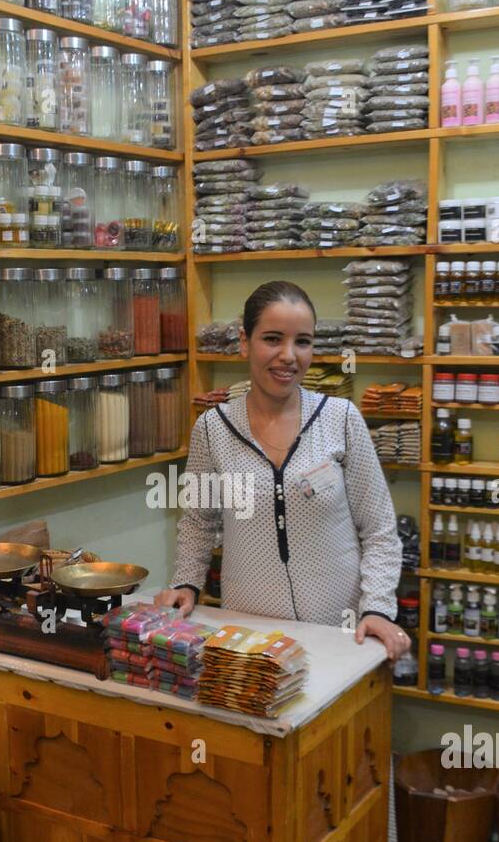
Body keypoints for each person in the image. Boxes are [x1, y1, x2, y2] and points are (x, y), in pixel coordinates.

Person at [155, 280, 412, 662]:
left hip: (341, 632)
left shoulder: (340, 420)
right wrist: (186, 582)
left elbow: (379, 530)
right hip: (249, 635)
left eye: (303, 341)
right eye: (272, 339)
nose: (288, 356)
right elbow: (198, 521)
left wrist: (376, 608)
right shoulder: (212, 428)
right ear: (245, 342)